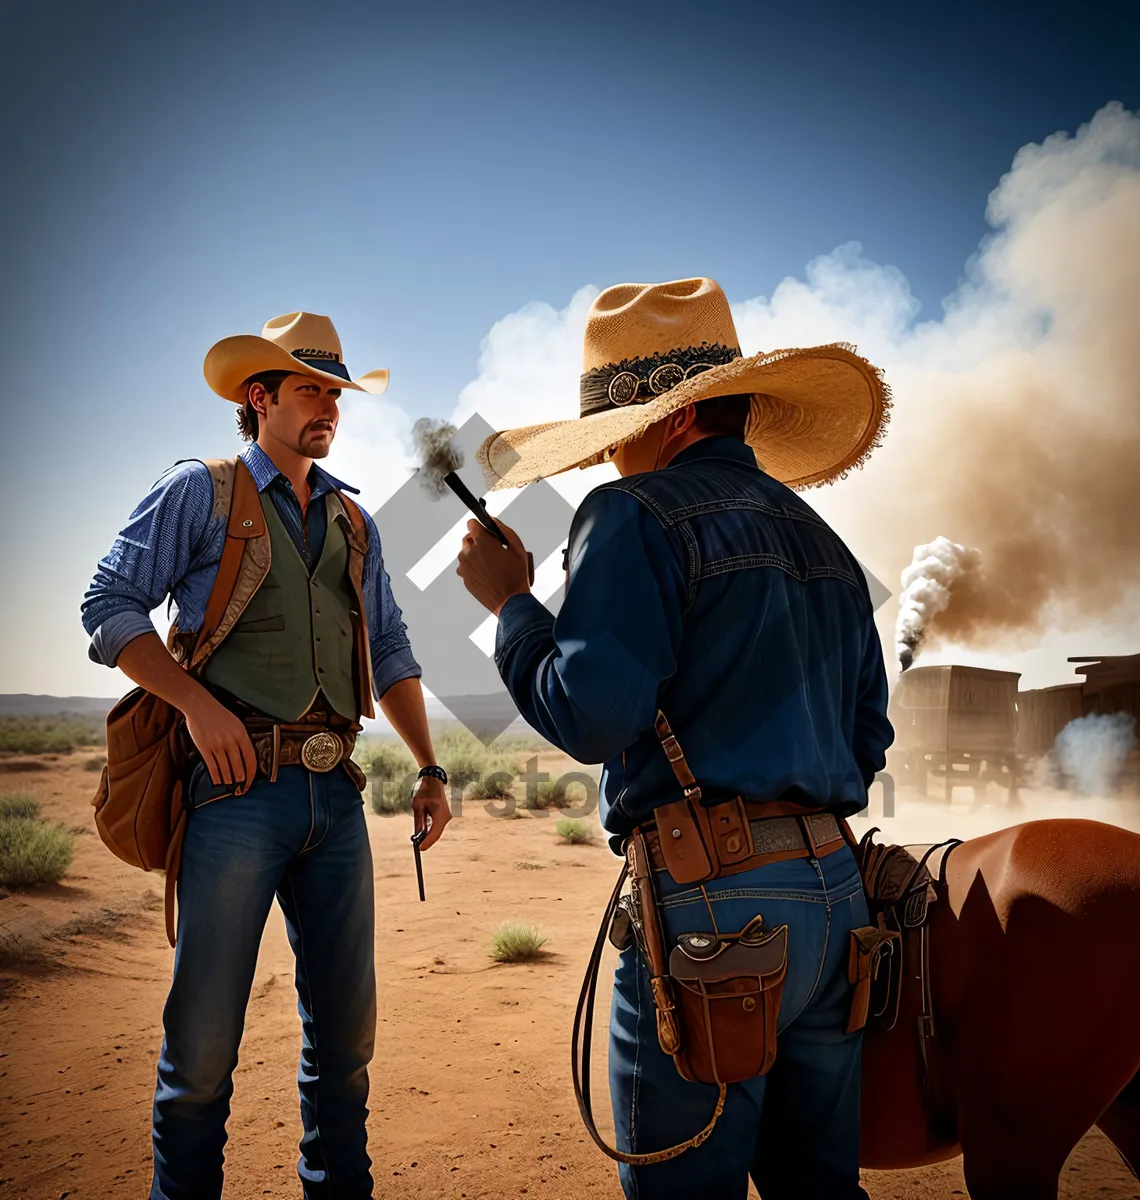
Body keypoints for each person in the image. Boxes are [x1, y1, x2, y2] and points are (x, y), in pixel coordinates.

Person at [456, 278, 894, 1199]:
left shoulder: (631, 516)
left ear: (670, 420)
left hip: (713, 910)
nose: (611, 457)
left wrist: (511, 608)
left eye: (617, 432)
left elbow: (589, 715)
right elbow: (867, 741)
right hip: (836, 895)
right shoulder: (826, 544)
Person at [81, 312, 452, 1200]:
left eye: (335, 392)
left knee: (347, 1044)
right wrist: (197, 706)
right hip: (235, 793)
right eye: (310, 389)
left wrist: (432, 768)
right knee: (203, 1046)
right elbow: (109, 604)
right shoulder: (199, 491)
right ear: (260, 397)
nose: (328, 405)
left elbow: (390, 650)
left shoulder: (353, 520)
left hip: (336, 794)